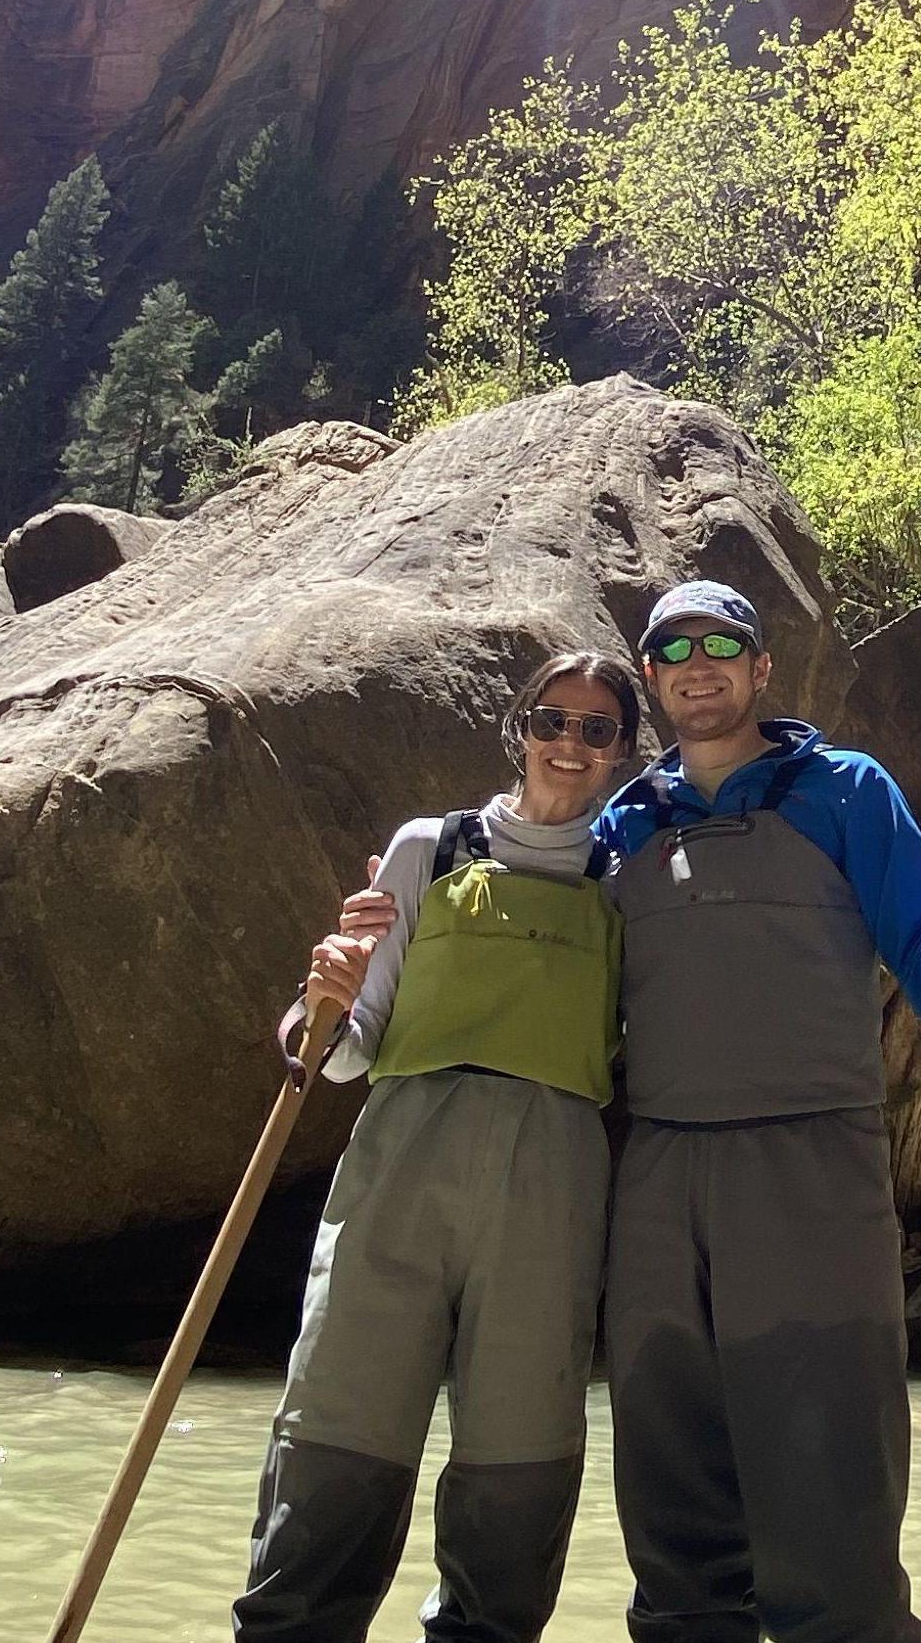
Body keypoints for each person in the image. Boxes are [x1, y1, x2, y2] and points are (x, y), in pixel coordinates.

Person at [594, 578, 921, 1643]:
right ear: (651, 678)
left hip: (812, 1159)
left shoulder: (845, 789)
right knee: (668, 1467)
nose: (698, 663)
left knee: (828, 1468)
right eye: (672, 649)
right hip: (657, 1173)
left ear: (760, 667)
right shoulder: (622, 821)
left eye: (720, 644)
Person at [233, 649, 645, 1643]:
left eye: (596, 730)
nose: (569, 744)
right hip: (399, 1171)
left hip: (549, 1185)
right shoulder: (431, 847)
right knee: (339, 1429)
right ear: (520, 727)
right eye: (553, 720)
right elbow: (344, 1052)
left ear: (624, 752)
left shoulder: (629, 878)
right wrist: (321, 995)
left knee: (519, 1455)